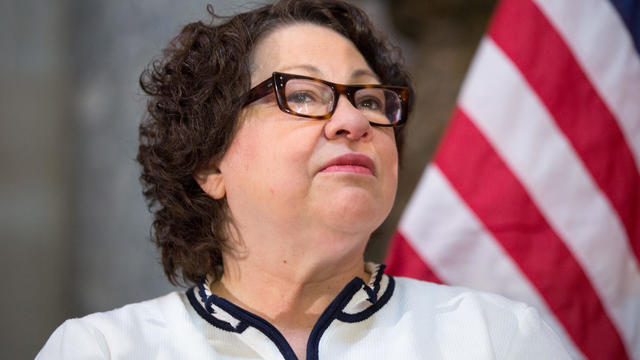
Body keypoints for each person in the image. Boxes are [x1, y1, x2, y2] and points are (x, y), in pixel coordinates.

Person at [37, 0, 571, 359]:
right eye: (302, 95)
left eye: (368, 98)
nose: (354, 120)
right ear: (210, 163)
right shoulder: (104, 349)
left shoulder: (496, 339)